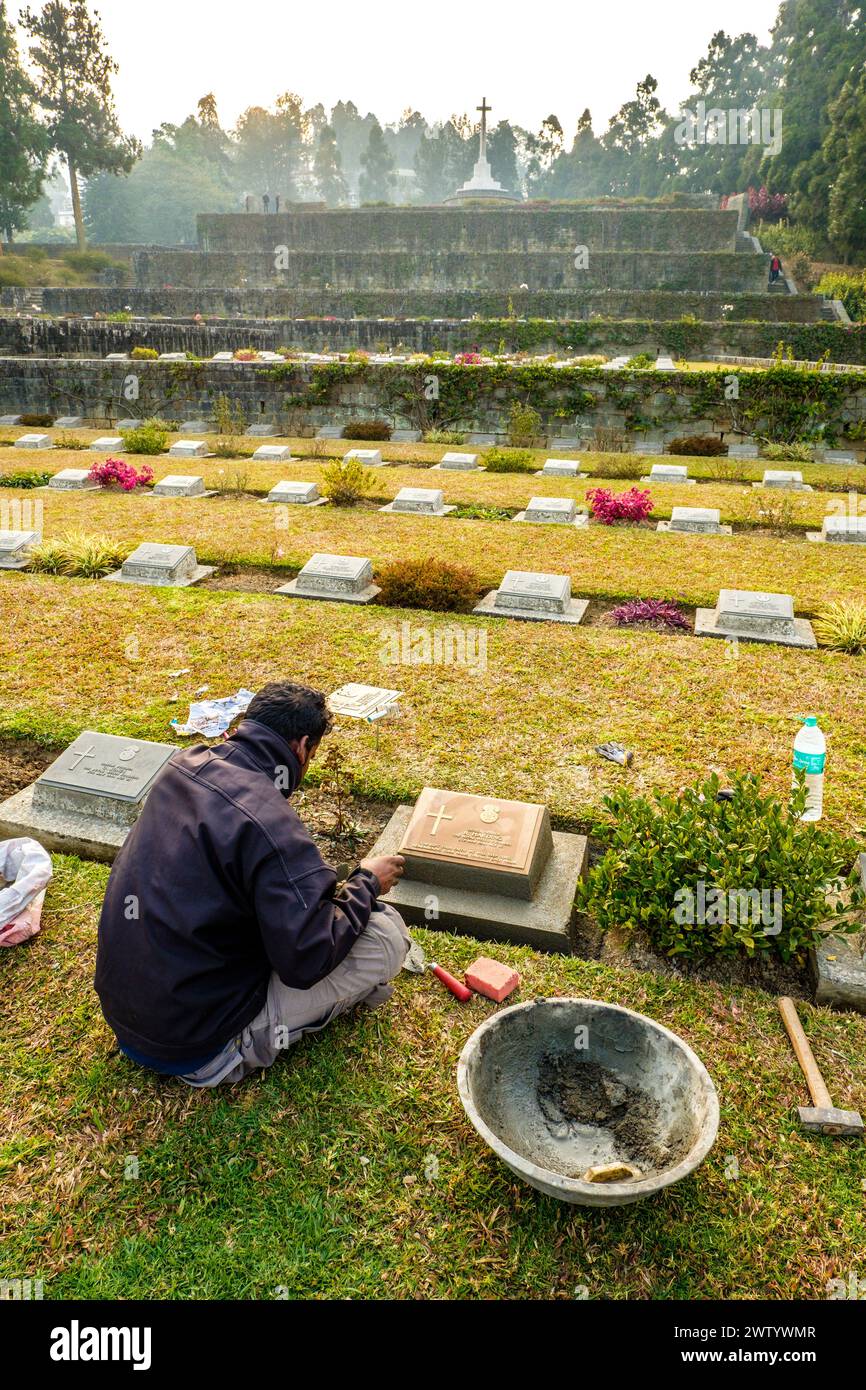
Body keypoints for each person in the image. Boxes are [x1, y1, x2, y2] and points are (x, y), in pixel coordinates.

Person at [94, 681, 410, 1087]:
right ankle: (241, 1048)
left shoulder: (182, 764)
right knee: (385, 934)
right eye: (312, 754)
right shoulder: (271, 823)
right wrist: (367, 882)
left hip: (127, 1015)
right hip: (196, 1047)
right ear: (301, 747)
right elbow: (306, 961)